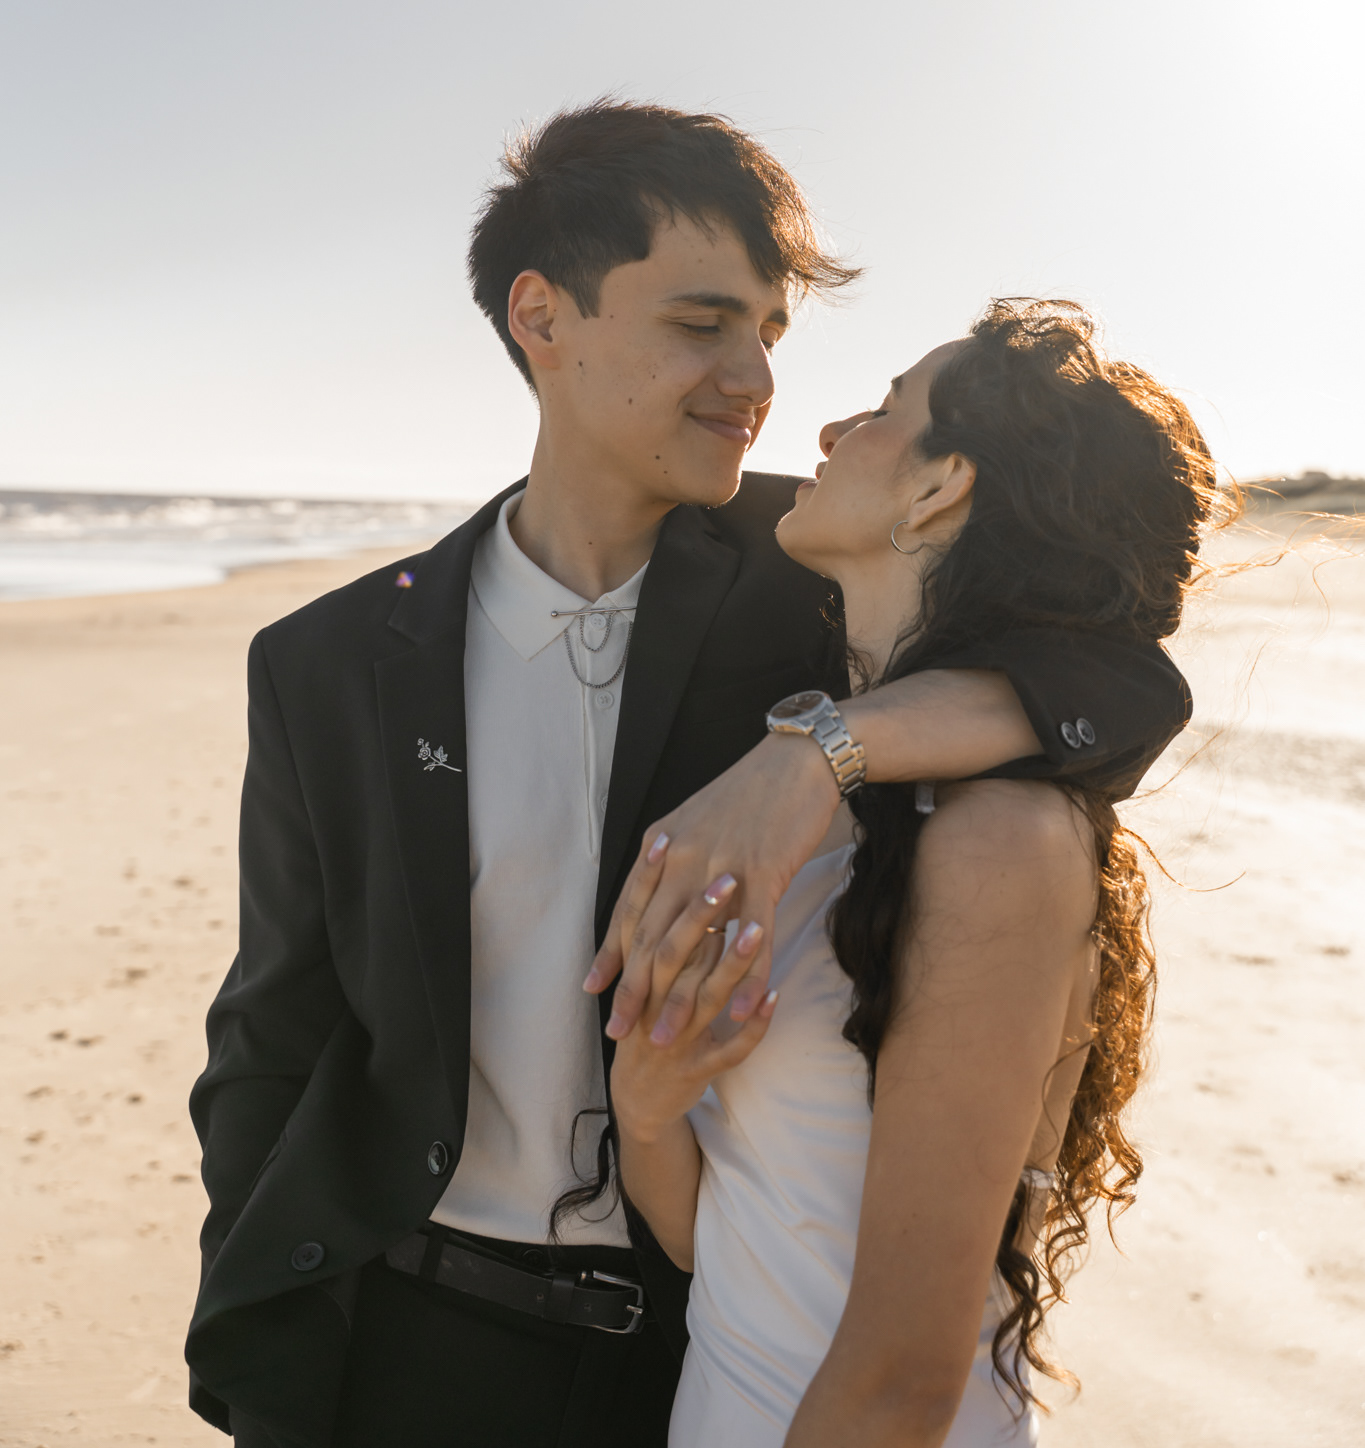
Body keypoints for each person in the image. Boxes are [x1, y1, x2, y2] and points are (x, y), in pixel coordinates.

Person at [185, 105, 1190, 1448]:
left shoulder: (825, 573)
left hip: (701, 1343)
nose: (752, 379)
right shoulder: (328, 662)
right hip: (413, 1348)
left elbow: (1117, 688)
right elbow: (272, 1035)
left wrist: (813, 759)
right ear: (542, 317)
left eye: (769, 332)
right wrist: (267, 1358)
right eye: (700, 323)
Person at [608, 302, 1221, 1447]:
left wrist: (816, 751)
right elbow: (727, 1240)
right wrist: (646, 1107)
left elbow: (902, 1377)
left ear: (940, 488)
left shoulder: (999, 839)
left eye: (886, 409)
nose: (829, 427)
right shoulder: (819, 810)